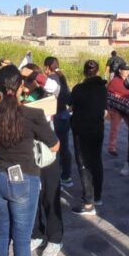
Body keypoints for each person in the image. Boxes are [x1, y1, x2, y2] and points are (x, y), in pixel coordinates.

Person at [0, 65, 59, 256]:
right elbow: (55, 146)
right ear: (21, 86)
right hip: (24, 179)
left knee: (1, 233)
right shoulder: (32, 114)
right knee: (22, 239)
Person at [30, 57, 68, 256]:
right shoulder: (20, 97)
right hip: (27, 154)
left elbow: (54, 86)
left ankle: (55, 238)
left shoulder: (46, 95)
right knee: (32, 195)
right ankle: (36, 233)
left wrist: (36, 75)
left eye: (32, 80)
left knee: (50, 194)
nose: (29, 85)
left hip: (48, 151)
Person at [70, 60, 108, 215]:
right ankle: (97, 195)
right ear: (97, 71)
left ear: (84, 72)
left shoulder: (79, 89)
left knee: (84, 164)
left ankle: (88, 203)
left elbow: (70, 104)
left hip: (82, 130)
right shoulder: (102, 88)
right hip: (98, 129)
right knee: (97, 161)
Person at [44, 57, 73, 188]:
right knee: (65, 146)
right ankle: (66, 176)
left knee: (54, 147)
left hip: (55, 116)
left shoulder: (50, 80)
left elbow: (46, 100)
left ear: (46, 67)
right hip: (64, 115)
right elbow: (67, 96)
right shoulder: (62, 77)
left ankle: (57, 176)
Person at [106, 64, 129, 157]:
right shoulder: (114, 81)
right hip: (116, 108)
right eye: (125, 70)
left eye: (128, 70)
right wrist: (109, 108)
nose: (127, 72)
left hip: (128, 108)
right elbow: (109, 95)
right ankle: (111, 147)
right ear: (120, 70)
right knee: (114, 128)